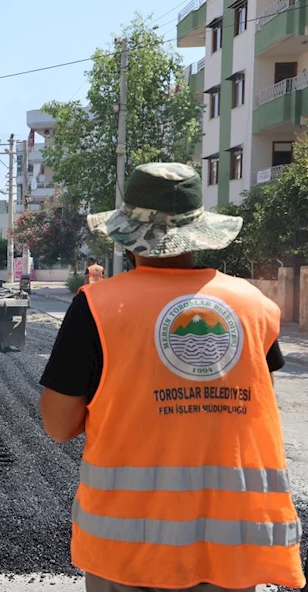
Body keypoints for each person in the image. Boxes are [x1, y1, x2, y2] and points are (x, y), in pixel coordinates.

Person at [38, 163, 305, 592]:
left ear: (127, 236)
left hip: (126, 552)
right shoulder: (253, 306)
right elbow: (256, 404)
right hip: (230, 554)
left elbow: (57, 424)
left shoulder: (98, 308)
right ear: (199, 232)